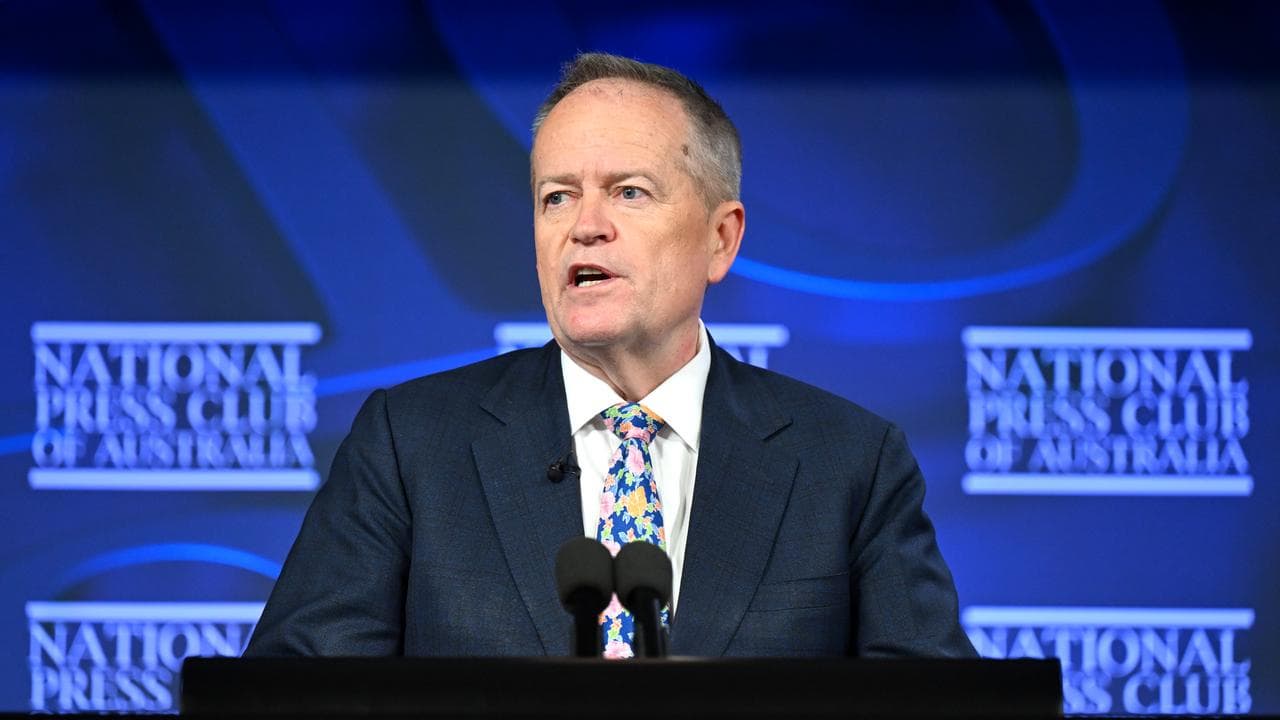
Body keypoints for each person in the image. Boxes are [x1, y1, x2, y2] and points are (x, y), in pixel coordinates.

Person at [245, 53, 975, 659]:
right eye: (557, 198)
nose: (585, 226)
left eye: (629, 192)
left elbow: (933, 708)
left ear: (721, 239)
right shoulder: (410, 447)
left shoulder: (849, 465)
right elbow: (296, 696)